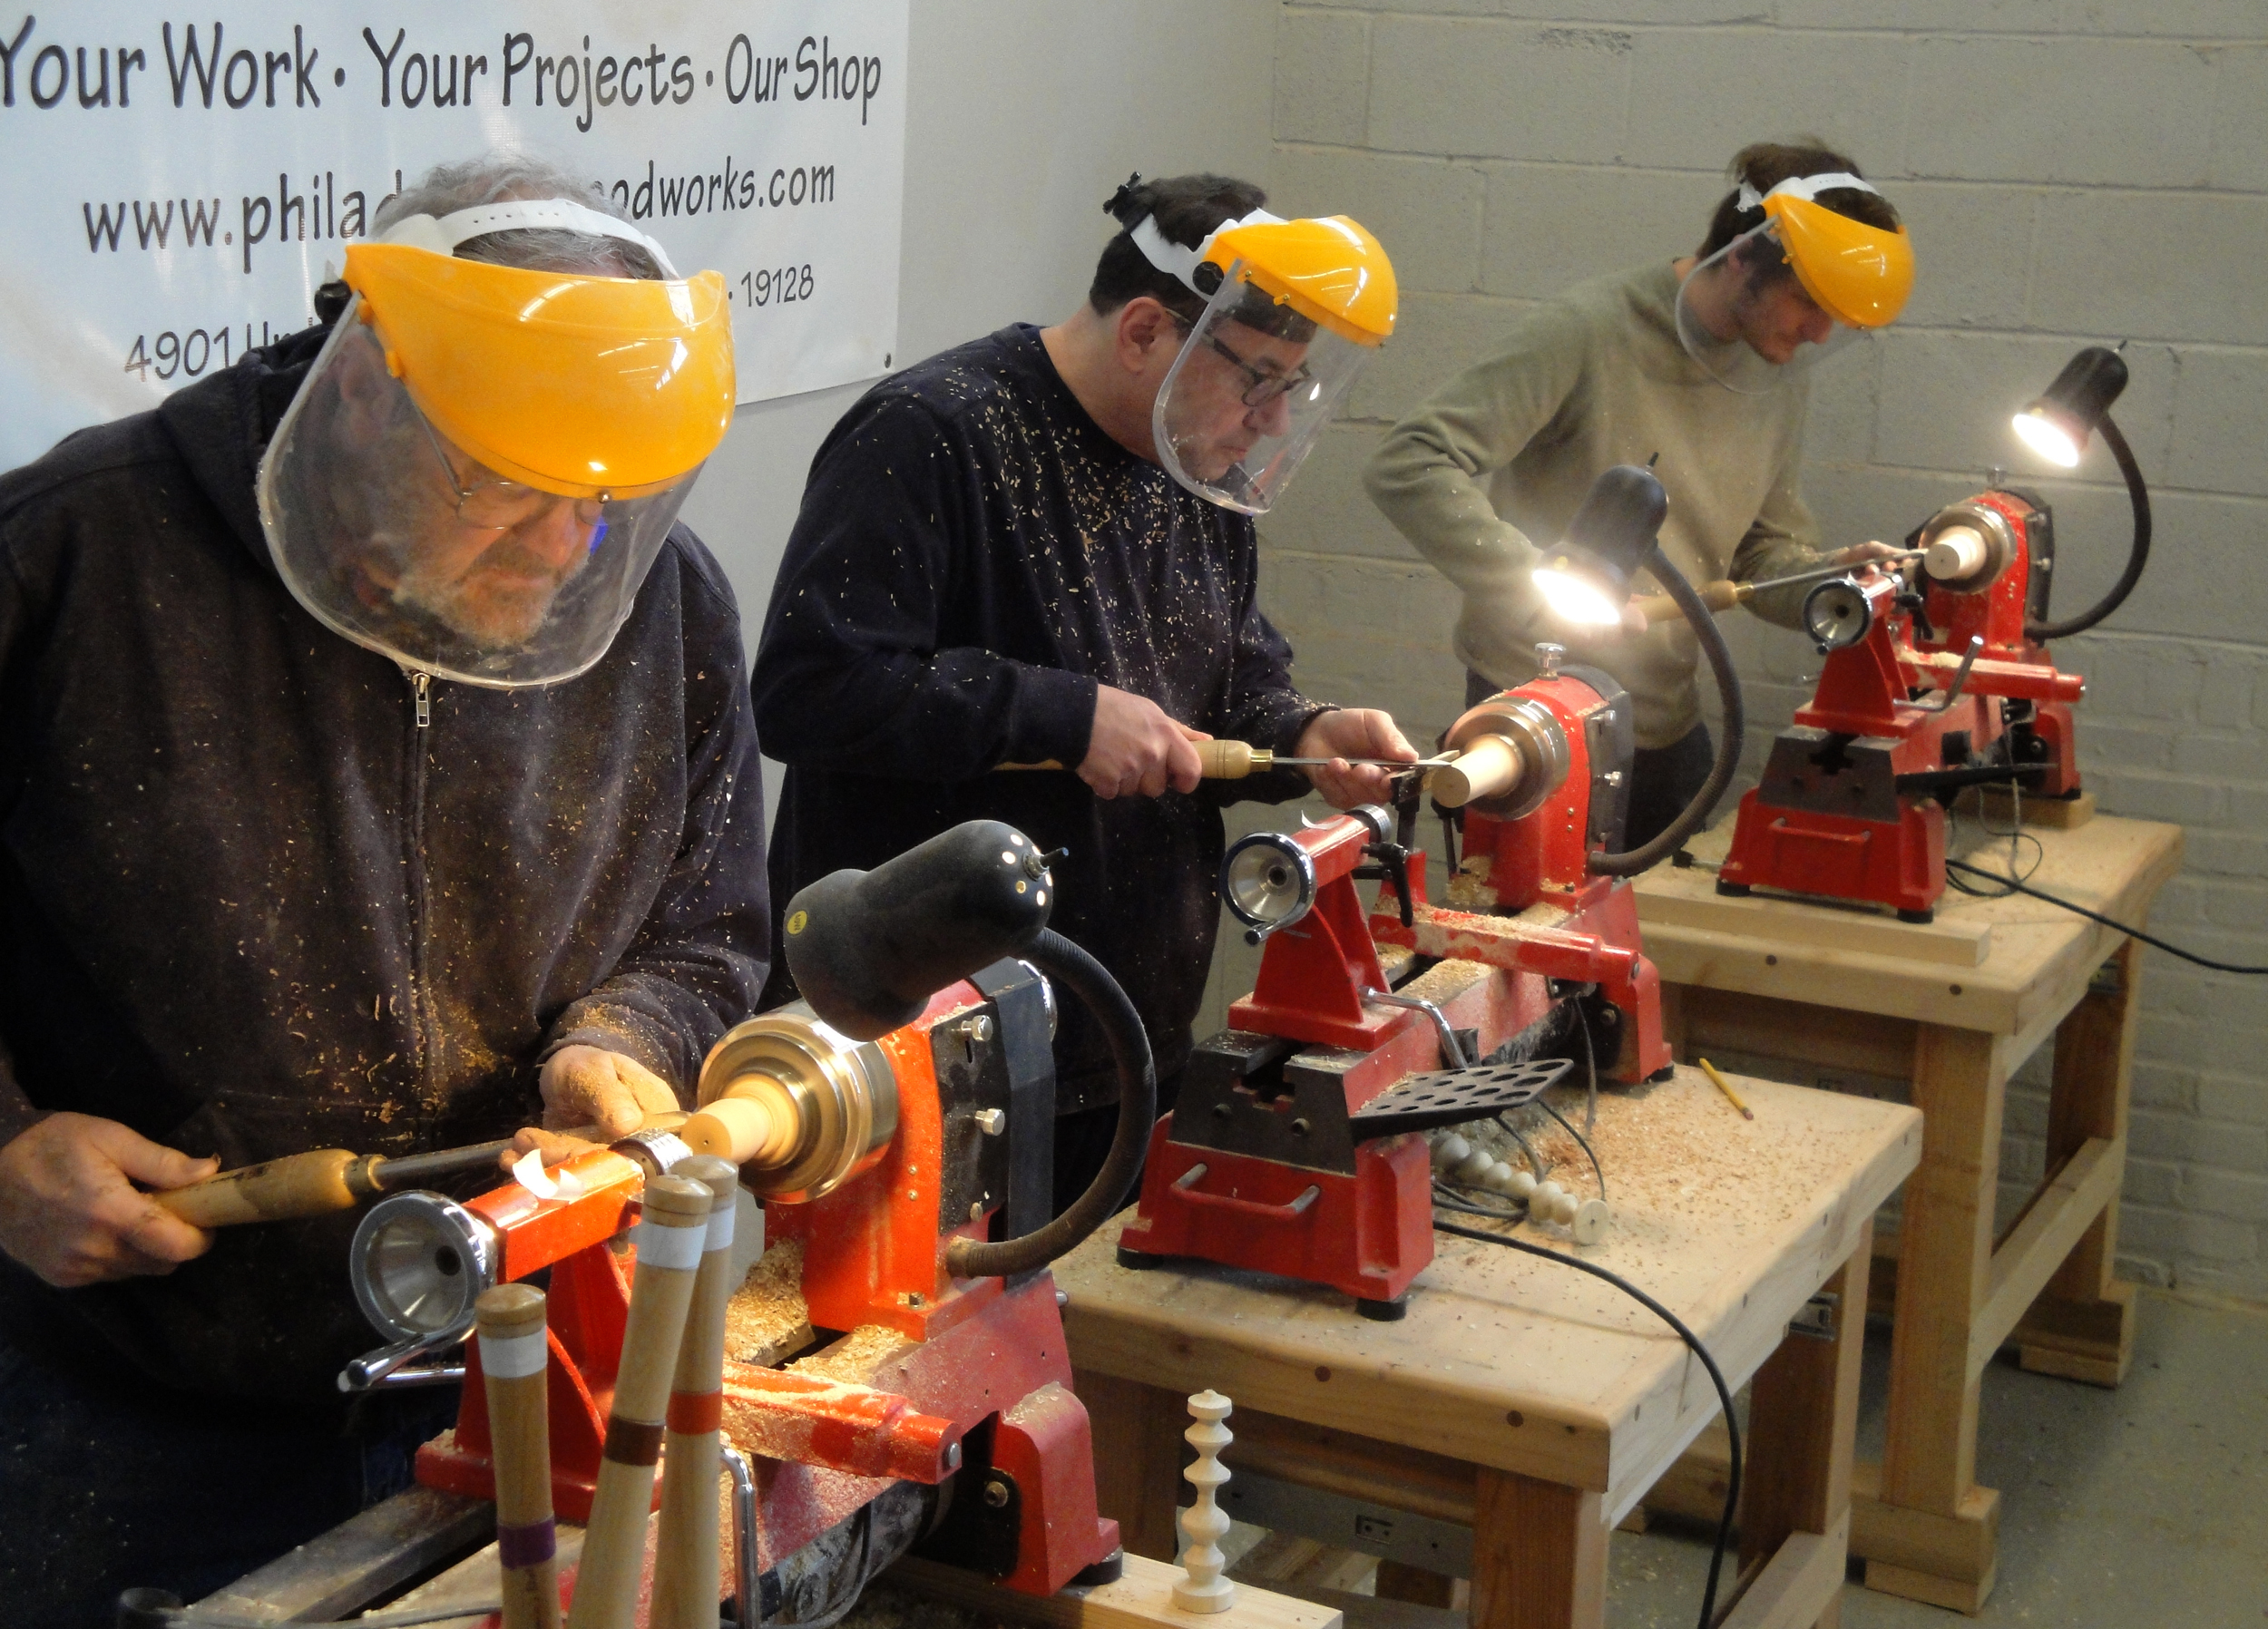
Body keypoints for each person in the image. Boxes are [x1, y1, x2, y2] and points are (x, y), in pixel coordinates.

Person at [0, 155, 767, 1622]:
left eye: (601, 501)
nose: (561, 550)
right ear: (366, 384)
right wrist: (5, 1148)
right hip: (134, 1395)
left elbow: (709, 912)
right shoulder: (74, 556)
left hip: (514, 1372)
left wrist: (630, 1037)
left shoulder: (659, 598)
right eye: (503, 482)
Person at [751, 173, 1415, 1203]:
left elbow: (1228, 665)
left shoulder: (1193, 461)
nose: (1270, 420)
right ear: (1148, 331)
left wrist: (1303, 727)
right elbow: (810, 687)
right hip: (930, 1052)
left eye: (1293, 387)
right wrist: (1063, 715)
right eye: (1257, 381)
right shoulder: (934, 432)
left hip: (1120, 1035)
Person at [1365, 140, 1915, 847]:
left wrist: (1833, 585)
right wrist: (1539, 586)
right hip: (1539, 713)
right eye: (1807, 301)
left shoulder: (1774, 370)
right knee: (1533, 947)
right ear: (1742, 256)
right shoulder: (1591, 328)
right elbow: (1409, 461)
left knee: (1666, 947)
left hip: (1666, 721)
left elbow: (1759, 551)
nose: (1819, 332)